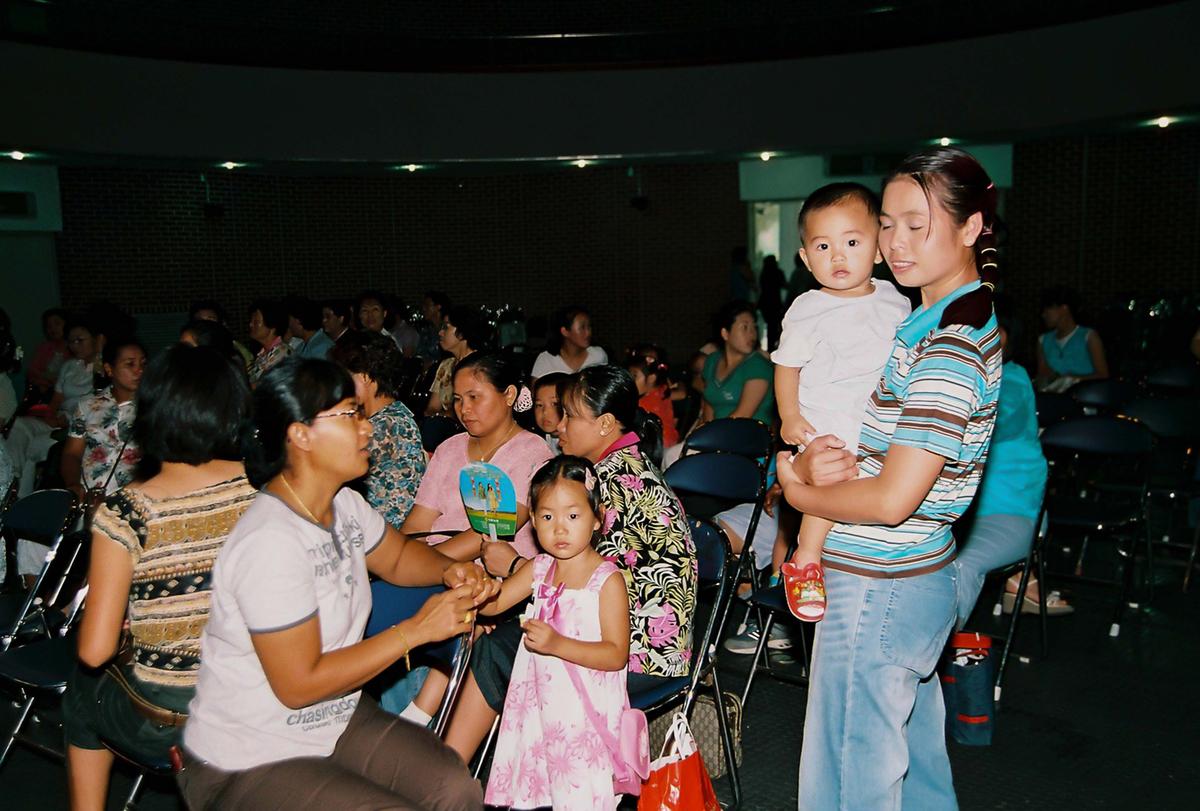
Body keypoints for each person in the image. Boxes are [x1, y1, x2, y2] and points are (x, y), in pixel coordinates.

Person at [777, 147, 1003, 809]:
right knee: (916, 773)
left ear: (969, 229)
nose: (895, 242)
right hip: (909, 576)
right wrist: (814, 457)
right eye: (888, 223)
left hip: (880, 584)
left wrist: (798, 492)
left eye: (917, 224)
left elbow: (894, 497)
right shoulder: (924, 321)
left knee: (849, 785)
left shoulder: (949, 346)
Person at [177, 358, 495, 810]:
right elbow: (299, 685)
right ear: (300, 434)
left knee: (455, 789)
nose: (367, 429)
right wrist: (418, 630)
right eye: (351, 414)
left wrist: (447, 569)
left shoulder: (343, 504)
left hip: (335, 715)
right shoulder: (271, 542)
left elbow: (400, 556)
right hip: (250, 751)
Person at [440, 365, 697, 764]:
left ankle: (447, 771)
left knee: (496, 647)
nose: (558, 426)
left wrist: (512, 567)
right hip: (636, 643)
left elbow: (583, 582)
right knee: (502, 636)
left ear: (605, 424)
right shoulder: (620, 469)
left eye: (570, 416)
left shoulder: (612, 484)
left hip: (634, 653)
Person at [63, 345, 258, 811]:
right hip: (257, 696)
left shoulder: (128, 509)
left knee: (81, 692)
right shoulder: (265, 490)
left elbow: (96, 650)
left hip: (178, 717)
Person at [771, 183, 912, 622]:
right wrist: (790, 416)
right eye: (823, 245)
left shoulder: (896, 300)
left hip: (879, 416)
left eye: (852, 242)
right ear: (806, 256)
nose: (838, 256)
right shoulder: (807, 308)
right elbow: (787, 366)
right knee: (834, 477)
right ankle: (806, 558)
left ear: (876, 249)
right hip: (828, 417)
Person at [482, 456, 632, 810]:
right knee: (541, 789)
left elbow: (615, 654)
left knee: (579, 792)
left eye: (573, 515)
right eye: (548, 517)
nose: (560, 528)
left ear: (598, 518)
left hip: (583, 712)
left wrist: (557, 644)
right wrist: (473, 586)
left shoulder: (606, 581)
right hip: (539, 704)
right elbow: (495, 603)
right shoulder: (539, 568)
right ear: (533, 521)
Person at [955, 307, 1068, 623]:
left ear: (998, 336)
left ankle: (933, 662)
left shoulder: (1011, 381)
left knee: (954, 563)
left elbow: (988, 427)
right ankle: (1023, 581)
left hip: (1009, 514)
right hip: (964, 513)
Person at [330, 331, 425, 529]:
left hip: (384, 537)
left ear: (364, 378)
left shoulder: (387, 425)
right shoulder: (393, 416)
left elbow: (329, 471)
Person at [6, 317, 101, 501]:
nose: (75, 346)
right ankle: (12, 481)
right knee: (19, 426)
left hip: (81, 424)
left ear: (97, 339)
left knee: (34, 447)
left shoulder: (103, 367)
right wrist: (50, 414)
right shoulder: (69, 366)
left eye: (80, 340)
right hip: (60, 419)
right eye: (71, 341)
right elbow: (57, 399)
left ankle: (21, 498)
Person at [59, 337, 146, 505]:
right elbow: (72, 453)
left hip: (136, 498)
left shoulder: (155, 408)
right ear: (109, 369)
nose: (139, 371)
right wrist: (73, 485)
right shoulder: (87, 405)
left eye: (143, 364)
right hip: (90, 496)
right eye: (130, 364)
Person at [697, 300, 775, 428]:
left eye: (754, 327)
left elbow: (743, 415)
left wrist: (711, 436)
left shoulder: (758, 366)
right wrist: (705, 431)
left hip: (747, 436)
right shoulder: (712, 361)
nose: (752, 334)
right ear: (725, 333)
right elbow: (708, 405)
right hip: (716, 436)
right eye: (744, 327)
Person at [1036, 285, 1108, 391]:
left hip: (1084, 400)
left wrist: (1072, 380)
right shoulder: (1043, 340)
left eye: (1048, 308)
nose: (1044, 314)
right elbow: (1043, 374)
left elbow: (1103, 376)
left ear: (1064, 309)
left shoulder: (1088, 337)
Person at [426, 305, 492, 417]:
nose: (440, 333)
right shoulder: (446, 366)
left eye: (446, 327)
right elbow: (432, 408)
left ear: (462, 332)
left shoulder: (480, 366)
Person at [530, 305, 608, 381]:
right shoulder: (546, 360)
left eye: (589, 327)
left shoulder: (598, 355)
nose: (588, 333)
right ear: (565, 331)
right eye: (582, 328)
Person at [624, 351, 679, 447]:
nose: (629, 380)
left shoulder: (643, 405)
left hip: (659, 449)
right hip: (670, 442)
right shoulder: (662, 390)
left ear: (651, 378)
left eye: (635, 376)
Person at [190, 300, 254, 368]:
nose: (205, 325)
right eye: (200, 321)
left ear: (222, 324)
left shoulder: (237, 352)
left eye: (211, 320)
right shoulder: (189, 351)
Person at [246, 298, 291, 385]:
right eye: (251, 321)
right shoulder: (264, 353)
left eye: (256, 322)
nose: (250, 324)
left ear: (272, 326)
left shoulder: (281, 353)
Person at [26, 307, 69, 397]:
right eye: (49, 326)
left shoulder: (74, 347)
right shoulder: (43, 348)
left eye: (57, 324)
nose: (53, 329)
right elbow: (32, 371)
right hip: (44, 392)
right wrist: (45, 382)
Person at [285, 296, 335, 360]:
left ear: (298, 321)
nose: (289, 325)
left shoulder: (322, 347)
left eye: (289, 320)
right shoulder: (302, 346)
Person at [532, 372, 567, 454]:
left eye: (555, 404)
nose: (545, 412)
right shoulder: (538, 439)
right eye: (539, 405)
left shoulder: (577, 443)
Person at [759, 254, 787, 350]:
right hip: (775, 303)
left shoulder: (764, 274)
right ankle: (776, 348)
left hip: (766, 303)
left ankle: (770, 348)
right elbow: (784, 285)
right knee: (776, 327)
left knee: (770, 327)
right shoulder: (778, 273)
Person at [418, 291, 451, 361]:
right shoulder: (426, 331)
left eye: (427, 305)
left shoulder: (449, 329)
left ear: (438, 307)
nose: (423, 309)